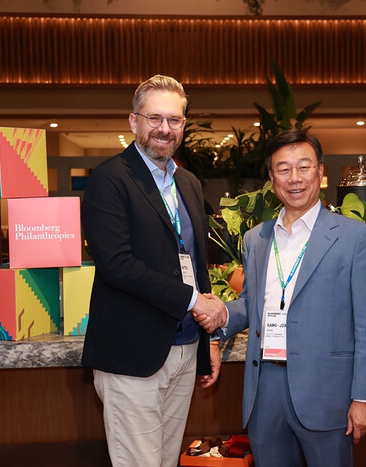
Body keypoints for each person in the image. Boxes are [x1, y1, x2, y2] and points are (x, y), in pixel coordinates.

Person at [195, 129, 366, 467]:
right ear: (272, 177)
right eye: (283, 169)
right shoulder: (256, 238)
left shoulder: (354, 237)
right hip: (265, 387)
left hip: (327, 391)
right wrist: (221, 314)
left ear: (320, 171)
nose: (294, 178)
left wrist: (365, 397)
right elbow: (253, 304)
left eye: (304, 167)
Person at [80, 75, 225, 467]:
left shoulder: (189, 183)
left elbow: (195, 263)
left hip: (184, 349)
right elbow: (118, 265)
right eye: (154, 118)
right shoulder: (109, 179)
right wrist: (195, 302)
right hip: (133, 357)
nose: (165, 128)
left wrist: (209, 338)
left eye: (174, 120)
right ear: (134, 121)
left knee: (165, 461)